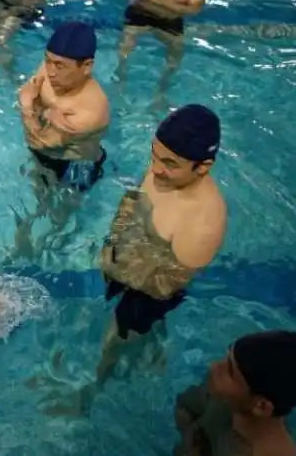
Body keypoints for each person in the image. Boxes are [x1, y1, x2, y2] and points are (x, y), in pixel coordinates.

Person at [95, 103, 226, 384]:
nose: (155, 169)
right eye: (154, 157)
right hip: (130, 258)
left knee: (114, 340)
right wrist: (112, 243)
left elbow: (166, 286)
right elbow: (131, 202)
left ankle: (93, 388)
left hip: (151, 289)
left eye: (169, 164)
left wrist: (120, 269)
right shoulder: (164, 167)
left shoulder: (202, 225)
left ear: (203, 167)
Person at [13, 21, 110, 257]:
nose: (51, 71)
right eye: (47, 60)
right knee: (38, 204)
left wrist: (27, 107)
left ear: (86, 66)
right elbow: (33, 87)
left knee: (60, 217)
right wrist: (43, 113)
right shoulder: (50, 68)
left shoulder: (90, 112)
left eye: (60, 66)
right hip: (47, 153)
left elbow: (38, 141)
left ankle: (48, 246)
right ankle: (25, 246)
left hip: (76, 166)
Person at [175, 330, 296, 456]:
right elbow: (185, 406)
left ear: (261, 406)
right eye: (227, 358)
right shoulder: (228, 395)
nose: (213, 366)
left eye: (230, 371)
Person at [115, 0, 213, 102]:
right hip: (142, 12)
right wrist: (173, 5)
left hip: (169, 19)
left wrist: (154, 0)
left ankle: (161, 92)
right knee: (125, 44)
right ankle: (119, 82)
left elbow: (194, 9)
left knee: (176, 52)